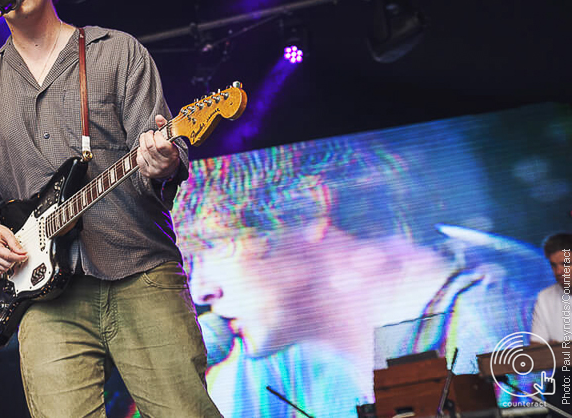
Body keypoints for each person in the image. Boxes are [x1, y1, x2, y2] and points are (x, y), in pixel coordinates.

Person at [0, 0, 221, 418]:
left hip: (138, 270)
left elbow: (167, 155)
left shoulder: (116, 54)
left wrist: (161, 160)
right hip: (42, 298)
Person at [173, 129, 549, 417]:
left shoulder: (497, 317)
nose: (201, 291)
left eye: (209, 247)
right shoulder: (268, 344)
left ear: (304, 211)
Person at [530, 232, 572, 417]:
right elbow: (537, 349)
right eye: (554, 265)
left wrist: (557, 347)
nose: (558, 271)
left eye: (565, 264)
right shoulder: (544, 297)